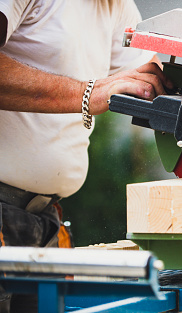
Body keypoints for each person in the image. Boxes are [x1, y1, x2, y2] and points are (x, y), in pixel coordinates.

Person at [0, 0, 173, 311]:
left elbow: (157, 85)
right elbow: (98, 91)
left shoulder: (115, 7)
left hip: (42, 219)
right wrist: (88, 92)